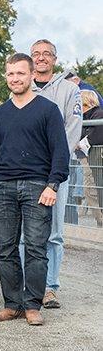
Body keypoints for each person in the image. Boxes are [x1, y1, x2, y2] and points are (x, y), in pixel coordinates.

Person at [0, 52, 69, 326]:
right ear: (7, 77)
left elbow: (60, 153)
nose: (15, 78)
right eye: (11, 74)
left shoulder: (48, 110)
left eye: (20, 73)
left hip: (38, 187)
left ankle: (32, 305)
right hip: (3, 188)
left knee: (36, 249)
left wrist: (53, 185)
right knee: (5, 248)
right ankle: (12, 304)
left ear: (31, 76)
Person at [28, 39, 82, 309]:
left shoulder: (69, 90)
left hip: (56, 171)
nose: (41, 58)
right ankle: (29, 285)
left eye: (46, 54)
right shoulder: (22, 85)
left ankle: (50, 287)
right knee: (26, 232)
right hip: (27, 172)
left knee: (54, 232)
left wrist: (55, 168)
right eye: (36, 54)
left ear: (55, 59)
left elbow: (72, 131)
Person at [79, 90, 103, 226]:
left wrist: (81, 143)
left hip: (95, 157)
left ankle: (101, 220)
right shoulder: (90, 115)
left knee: (92, 189)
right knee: (91, 189)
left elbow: (97, 135)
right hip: (90, 157)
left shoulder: (97, 114)